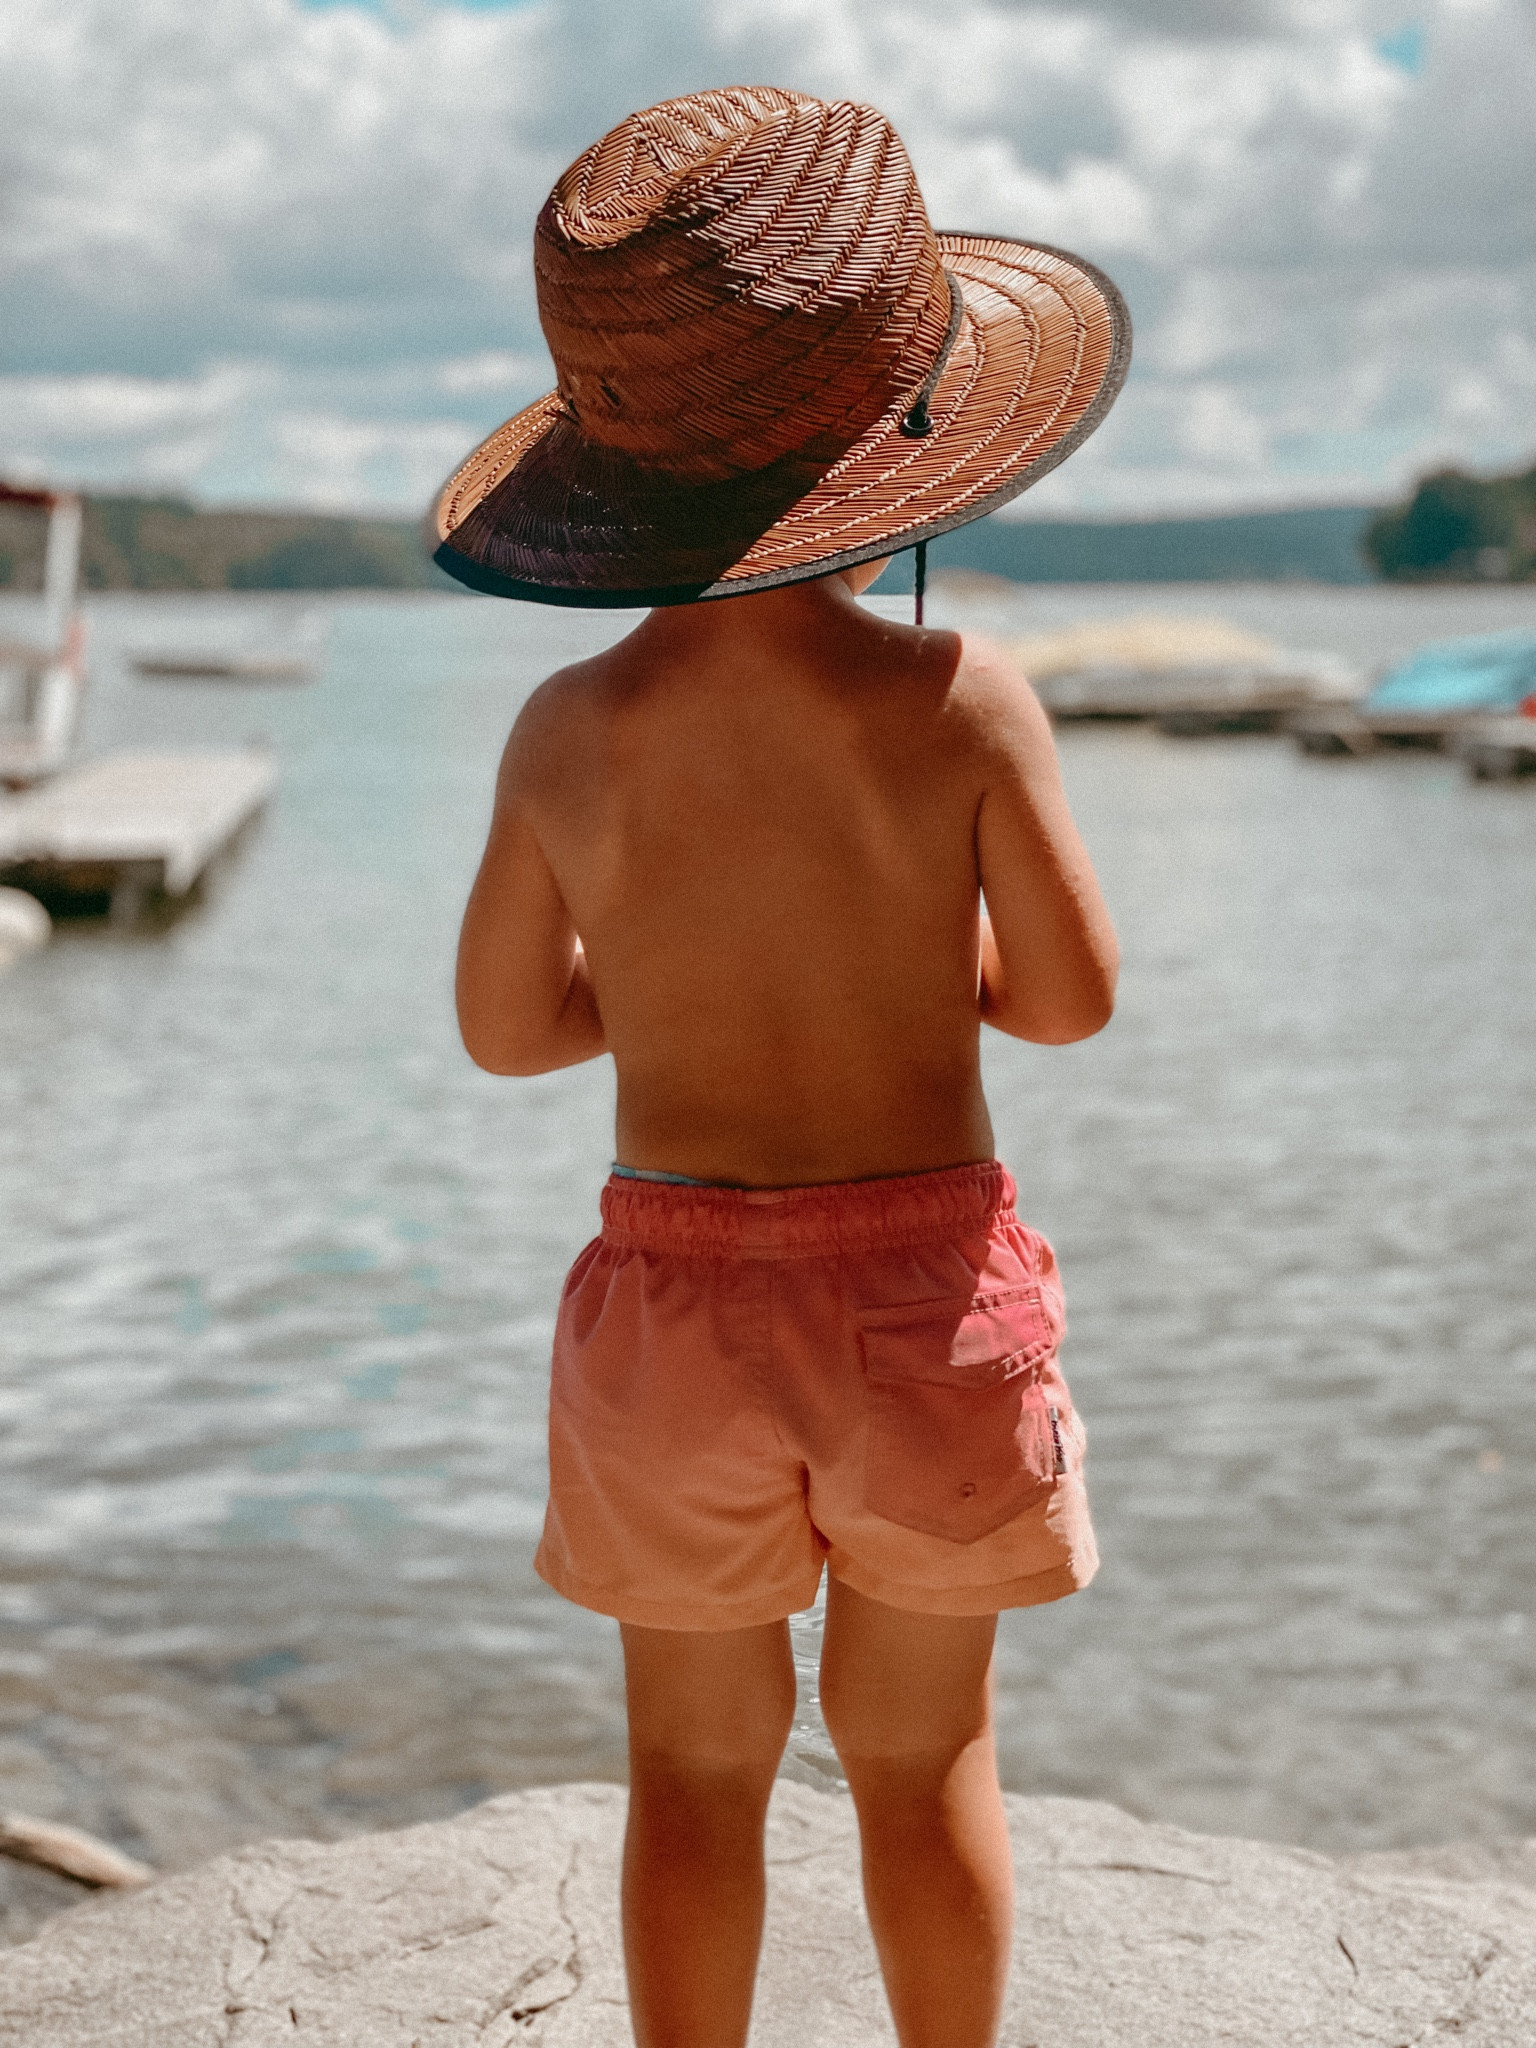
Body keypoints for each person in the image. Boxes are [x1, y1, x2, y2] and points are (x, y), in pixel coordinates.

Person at [440, 85, 1129, 2048]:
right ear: (905, 425)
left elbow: (502, 1030)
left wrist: (657, 1004)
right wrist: (926, 975)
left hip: (672, 1316)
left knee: (696, 1776)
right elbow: (1069, 999)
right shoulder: (959, 703)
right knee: (924, 1767)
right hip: (929, 1312)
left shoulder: (572, 731)